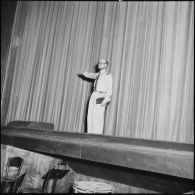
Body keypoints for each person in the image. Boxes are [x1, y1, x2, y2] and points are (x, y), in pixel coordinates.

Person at [80, 59, 113, 134]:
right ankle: (90, 134)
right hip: (94, 94)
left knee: (98, 116)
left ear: (105, 65)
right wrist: (84, 73)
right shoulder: (97, 74)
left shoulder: (108, 75)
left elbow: (110, 89)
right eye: (99, 63)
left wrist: (106, 99)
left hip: (101, 95)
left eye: (102, 63)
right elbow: (91, 75)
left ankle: (97, 135)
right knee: (90, 114)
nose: (99, 64)